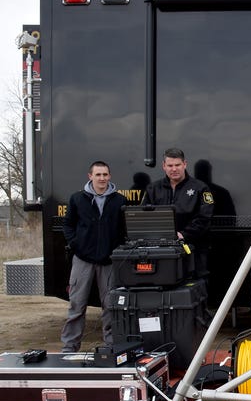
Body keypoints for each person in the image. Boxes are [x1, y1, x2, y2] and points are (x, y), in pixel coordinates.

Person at [61, 161, 127, 352]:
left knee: (110, 307)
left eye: (105, 174)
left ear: (110, 176)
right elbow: (68, 225)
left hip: (108, 262)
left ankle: (111, 345)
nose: (102, 178)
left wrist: (116, 250)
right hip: (82, 260)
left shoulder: (119, 201)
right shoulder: (77, 199)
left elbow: (124, 230)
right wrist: (76, 244)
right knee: (77, 305)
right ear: (90, 176)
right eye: (98, 175)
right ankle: (69, 347)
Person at [142, 148, 214, 276]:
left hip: (193, 250)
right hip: (161, 251)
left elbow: (204, 217)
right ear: (164, 166)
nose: (174, 169)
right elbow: (145, 216)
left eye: (177, 165)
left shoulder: (200, 188)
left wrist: (183, 234)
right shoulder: (153, 188)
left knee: (194, 287)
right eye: (170, 165)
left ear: (184, 164)